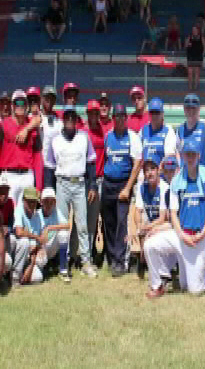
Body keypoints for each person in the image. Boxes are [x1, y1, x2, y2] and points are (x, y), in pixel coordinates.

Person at [44, 106, 99, 278]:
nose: (69, 119)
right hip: (62, 183)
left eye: (72, 117)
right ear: (62, 118)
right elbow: (49, 168)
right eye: (66, 116)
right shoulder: (55, 140)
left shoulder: (84, 137)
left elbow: (91, 163)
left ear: (76, 119)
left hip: (80, 183)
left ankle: (85, 261)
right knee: (62, 225)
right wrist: (49, 190)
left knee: (82, 224)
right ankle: (63, 262)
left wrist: (92, 186)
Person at [170, 138, 205, 293]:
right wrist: (182, 235)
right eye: (187, 154)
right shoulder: (176, 180)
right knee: (183, 285)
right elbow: (173, 213)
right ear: (182, 156)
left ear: (199, 155)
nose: (190, 158)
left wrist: (202, 234)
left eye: (193, 154)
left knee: (194, 290)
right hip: (183, 236)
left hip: (201, 236)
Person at [101, 104, 143, 276]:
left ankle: (120, 260)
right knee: (108, 222)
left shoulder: (132, 137)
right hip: (108, 184)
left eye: (122, 116)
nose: (119, 119)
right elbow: (105, 159)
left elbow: (137, 164)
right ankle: (111, 257)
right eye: (116, 116)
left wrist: (127, 188)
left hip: (122, 185)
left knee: (121, 223)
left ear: (126, 118)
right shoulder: (108, 136)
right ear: (113, 119)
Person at [0, 90, 43, 207]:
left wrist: (39, 186)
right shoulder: (3, 125)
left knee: (27, 214)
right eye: (17, 103)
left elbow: (38, 157)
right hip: (8, 176)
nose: (20, 106)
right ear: (12, 106)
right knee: (8, 213)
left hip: (27, 176)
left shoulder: (33, 128)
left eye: (23, 103)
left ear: (27, 105)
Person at [135, 149, 175, 298]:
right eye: (146, 170)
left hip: (164, 225)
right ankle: (145, 263)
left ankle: (164, 271)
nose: (149, 173)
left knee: (151, 236)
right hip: (151, 224)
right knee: (141, 233)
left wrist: (147, 227)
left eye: (152, 169)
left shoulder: (164, 188)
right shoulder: (141, 187)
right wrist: (139, 226)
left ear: (159, 170)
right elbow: (137, 210)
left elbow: (164, 217)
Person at [14, 187, 71, 284]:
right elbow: (27, 235)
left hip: (46, 246)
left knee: (63, 234)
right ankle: (19, 275)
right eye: (46, 201)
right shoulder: (36, 215)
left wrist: (50, 228)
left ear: (54, 202)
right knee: (39, 270)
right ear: (41, 202)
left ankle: (63, 268)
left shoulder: (56, 212)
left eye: (51, 201)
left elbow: (68, 225)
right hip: (37, 246)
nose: (48, 204)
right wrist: (39, 246)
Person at [83, 100, 107, 263]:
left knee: (98, 218)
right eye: (91, 112)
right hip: (86, 180)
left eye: (96, 113)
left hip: (101, 178)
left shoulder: (102, 130)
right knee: (85, 219)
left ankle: (96, 251)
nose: (93, 115)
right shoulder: (83, 131)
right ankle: (85, 252)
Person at [176, 94, 205, 173]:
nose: (191, 111)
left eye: (193, 108)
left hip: (202, 177)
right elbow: (177, 150)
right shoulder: (180, 129)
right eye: (188, 108)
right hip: (184, 177)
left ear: (199, 109)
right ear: (184, 109)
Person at [140, 98, 177, 164]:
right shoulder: (143, 130)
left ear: (162, 114)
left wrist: (158, 171)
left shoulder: (168, 131)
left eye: (157, 112)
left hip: (161, 172)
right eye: (152, 112)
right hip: (145, 171)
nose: (154, 115)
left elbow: (169, 155)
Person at [186, 25, 205, 91]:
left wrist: (202, 55)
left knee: (197, 72)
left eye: (195, 29)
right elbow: (185, 46)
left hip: (198, 57)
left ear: (198, 30)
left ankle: (196, 86)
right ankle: (190, 86)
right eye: (193, 30)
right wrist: (187, 44)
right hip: (190, 57)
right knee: (190, 72)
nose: (194, 31)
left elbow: (204, 47)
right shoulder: (189, 37)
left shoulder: (201, 38)